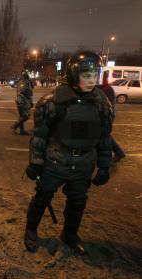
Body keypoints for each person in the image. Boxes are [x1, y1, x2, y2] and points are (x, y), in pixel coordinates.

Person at [24, 51, 113, 255]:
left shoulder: (101, 103)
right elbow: (39, 136)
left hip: (83, 164)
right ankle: (30, 231)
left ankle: (70, 235)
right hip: (56, 161)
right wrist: (36, 162)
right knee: (42, 197)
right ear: (74, 75)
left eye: (94, 75)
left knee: (77, 202)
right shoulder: (53, 102)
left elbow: (104, 137)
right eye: (86, 76)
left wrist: (104, 165)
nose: (92, 81)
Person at [99, 73, 126, 162]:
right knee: (102, 135)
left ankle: (118, 153)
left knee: (104, 135)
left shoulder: (106, 89)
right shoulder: (101, 87)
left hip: (106, 116)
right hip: (104, 115)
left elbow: (108, 105)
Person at [11, 71, 33, 135]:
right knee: (26, 116)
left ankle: (22, 130)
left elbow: (30, 93)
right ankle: (14, 126)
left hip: (26, 101)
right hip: (23, 101)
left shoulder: (27, 82)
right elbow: (20, 93)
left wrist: (31, 101)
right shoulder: (22, 83)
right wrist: (20, 102)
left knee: (22, 116)